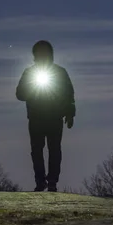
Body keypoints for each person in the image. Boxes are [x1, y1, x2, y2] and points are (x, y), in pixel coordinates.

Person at [15, 40, 75, 192]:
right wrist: (30, 90)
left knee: (54, 150)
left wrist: (70, 113)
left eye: (45, 53)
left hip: (55, 118)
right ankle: (40, 181)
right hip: (35, 118)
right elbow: (19, 94)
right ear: (35, 56)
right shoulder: (29, 73)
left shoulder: (60, 73)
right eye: (39, 54)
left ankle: (52, 181)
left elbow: (69, 95)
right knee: (37, 150)